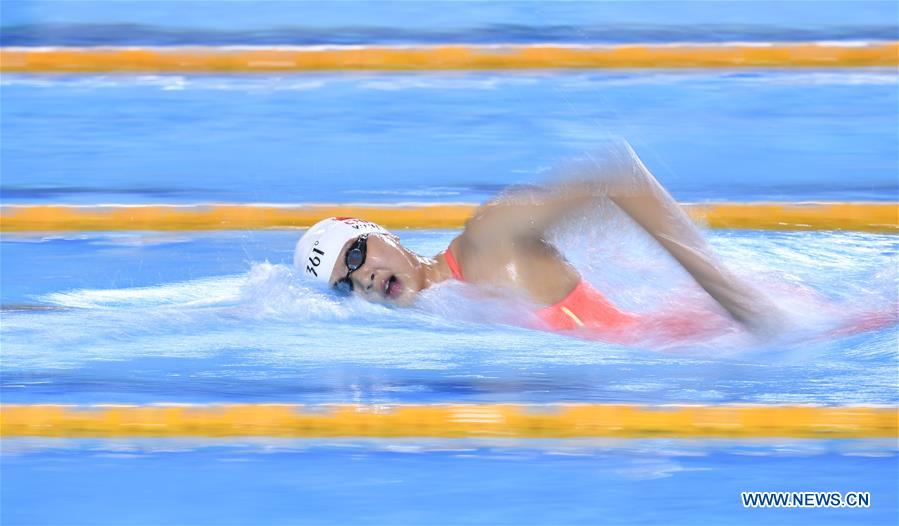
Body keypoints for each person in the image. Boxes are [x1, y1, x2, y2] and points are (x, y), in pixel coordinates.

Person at [293, 143, 780, 340]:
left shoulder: (486, 240)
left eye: (355, 253)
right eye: (345, 284)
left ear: (386, 235)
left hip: (715, 341)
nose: (364, 279)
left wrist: (734, 298)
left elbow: (617, 174)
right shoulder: (445, 314)